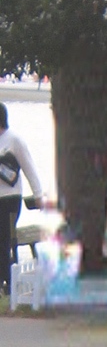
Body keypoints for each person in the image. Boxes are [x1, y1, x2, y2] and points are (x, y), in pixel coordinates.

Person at [0, 105, 45, 275]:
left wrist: (38, 194)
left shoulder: (14, 140)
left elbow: (29, 168)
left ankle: (7, 282)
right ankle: (7, 279)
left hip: (10, 198)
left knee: (4, 238)